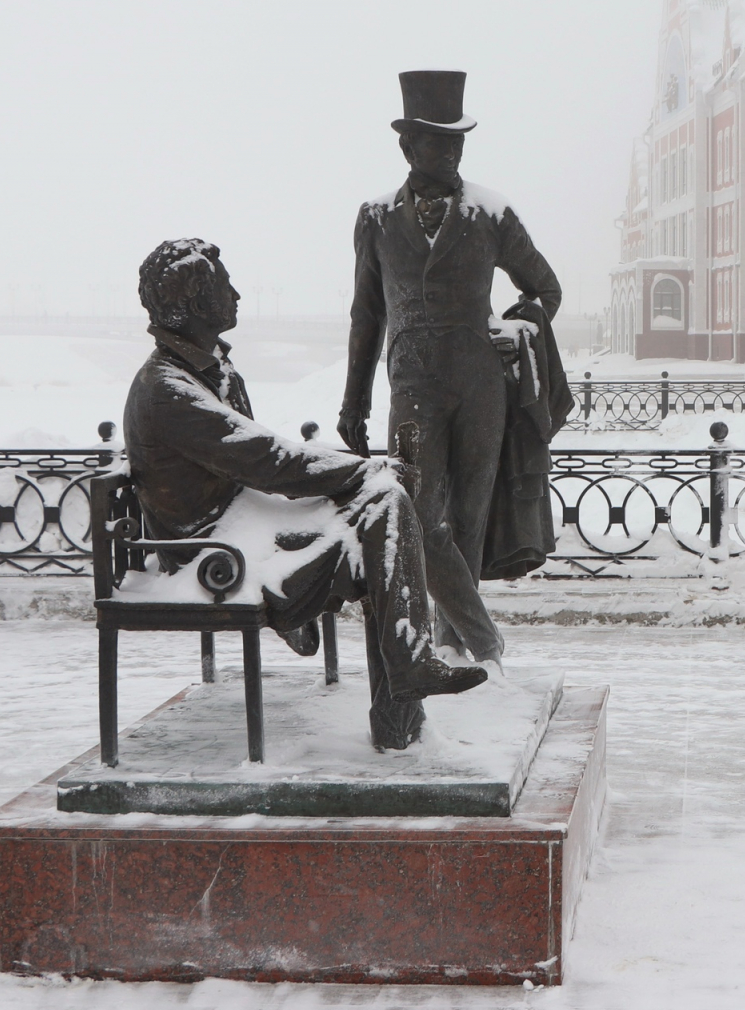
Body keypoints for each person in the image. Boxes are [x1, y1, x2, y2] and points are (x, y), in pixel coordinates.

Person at [122, 238, 485, 750]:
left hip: (240, 525)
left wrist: (367, 474)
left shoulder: (203, 370)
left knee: (382, 507)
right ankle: (406, 675)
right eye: (226, 286)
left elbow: (263, 461)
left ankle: (406, 676)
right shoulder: (168, 390)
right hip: (214, 552)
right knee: (382, 506)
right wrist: (367, 469)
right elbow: (268, 461)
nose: (239, 295)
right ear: (198, 302)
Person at [340, 72, 564, 669]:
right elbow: (367, 316)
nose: (452, 151)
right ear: (407, 147)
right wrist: (353, 402)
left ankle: (451, 645)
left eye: (458, 140)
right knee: (416, 510)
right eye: (439, 141)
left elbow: (545, 289)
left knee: (467, 515)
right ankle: (483, 638)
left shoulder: (491, 214)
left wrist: (518, 328)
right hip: (411, 387)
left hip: (479, 386)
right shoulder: (377, 218)